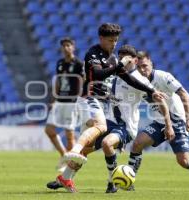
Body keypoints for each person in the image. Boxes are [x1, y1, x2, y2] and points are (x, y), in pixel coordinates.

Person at [48, 23, 166, 193]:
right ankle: (80, 157)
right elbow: (97, 74)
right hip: (90, 99)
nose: (114, 44)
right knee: (99, 130)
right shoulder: (93, 54)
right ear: (101, 38)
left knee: (88, 147)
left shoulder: (120, 65)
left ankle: (66, 177)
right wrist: (118, 67)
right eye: (111, 40)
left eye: (116, 40)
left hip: (116, 119)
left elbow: (129, 79)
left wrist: (152, 90)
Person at [127, 51, 189, 192]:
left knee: (183, 161)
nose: (143, 70)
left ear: (151, 63)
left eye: (145, 66)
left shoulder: (163, 77)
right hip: (159, 122)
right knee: (137, 144)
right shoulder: (138, 82)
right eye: (140, 67)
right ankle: (129, 179)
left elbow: (185, 95)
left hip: (177, 121)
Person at [44, 37, 84, 172]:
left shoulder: (78, 64)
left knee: (69, 134)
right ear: (61, 48)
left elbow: (82, 83)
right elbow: (58, 82)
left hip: (72, 102)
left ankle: (70, 166)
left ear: (73, 47)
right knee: (49, 130)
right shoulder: (60, 63)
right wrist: (53, 99)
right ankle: (64, 155)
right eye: (64, 46)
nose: (66, 48)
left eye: (69, 45)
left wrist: (80, 100)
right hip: (60, 101)